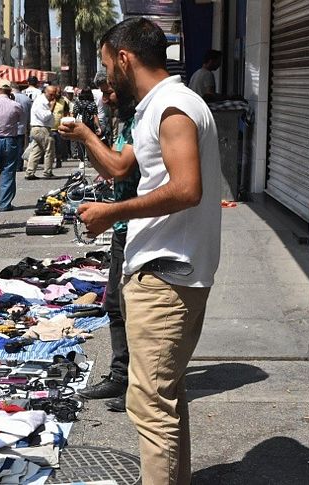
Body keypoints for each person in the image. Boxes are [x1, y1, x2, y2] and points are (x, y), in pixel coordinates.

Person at [59, 17, 221, 485]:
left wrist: (115, 213)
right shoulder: (154, 107)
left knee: (150, 405)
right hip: (165, 269)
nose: (107, 75)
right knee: (162, 399)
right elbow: (118, 167)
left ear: (125, 59)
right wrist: (88, 137)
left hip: (166, 274)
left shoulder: (172, 106)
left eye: (108, 64)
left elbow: (187, 188)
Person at [73, 92, 137, 413]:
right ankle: (120, 375)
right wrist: (88, 141)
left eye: (113, 87)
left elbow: (121, 168)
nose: (109, 97)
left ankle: (139, 386)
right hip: (123, 227)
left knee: (134, 311)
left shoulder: (144, 118)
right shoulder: (126, 121)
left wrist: (87, 135)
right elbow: (110, 169)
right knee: (113, 304)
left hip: (139, 228)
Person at [0, 78, 23, 211]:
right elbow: (19, 120)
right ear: (10, 91)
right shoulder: (16, 105)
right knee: (8, 171)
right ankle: (5, 203)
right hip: (10, 140)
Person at [25, 84, 58, 180]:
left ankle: (30, 172)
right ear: (45, 92)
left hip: (41, 128)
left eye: (54, 95)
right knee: (49, 149)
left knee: (36, 150)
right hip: (41, 128)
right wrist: (52, 108)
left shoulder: (45, 101)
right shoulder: (41, 102)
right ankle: (47, 172)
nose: (53, 97)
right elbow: (44, 117)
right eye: (51, 94)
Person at [72, 87, 101, 164]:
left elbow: (74, 114)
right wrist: (98, 127)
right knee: (89, 142)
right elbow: (95, 116)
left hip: (79, 124)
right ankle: (89, 159)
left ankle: (81, 160)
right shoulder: (92, 104)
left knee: (80, 142)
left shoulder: (77, 103)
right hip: (89, 125)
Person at [12, 86, 32, 171]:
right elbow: (30, 113)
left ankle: (13, 164)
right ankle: (19, 166)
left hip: (11, 128)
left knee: (12, 147)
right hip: (22, 127)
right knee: (20, 147)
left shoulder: (11, 97)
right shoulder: (27, 99)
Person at [50, 87, 71, 168]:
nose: (58, 94)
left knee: (59, 146)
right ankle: (49, 162)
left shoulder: (63, 101)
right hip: (50, 127)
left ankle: (59, 160)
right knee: (51, 147)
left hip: (59, 127)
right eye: (57, 92)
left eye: (59, 92)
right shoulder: (50, 100)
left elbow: (66, 112)